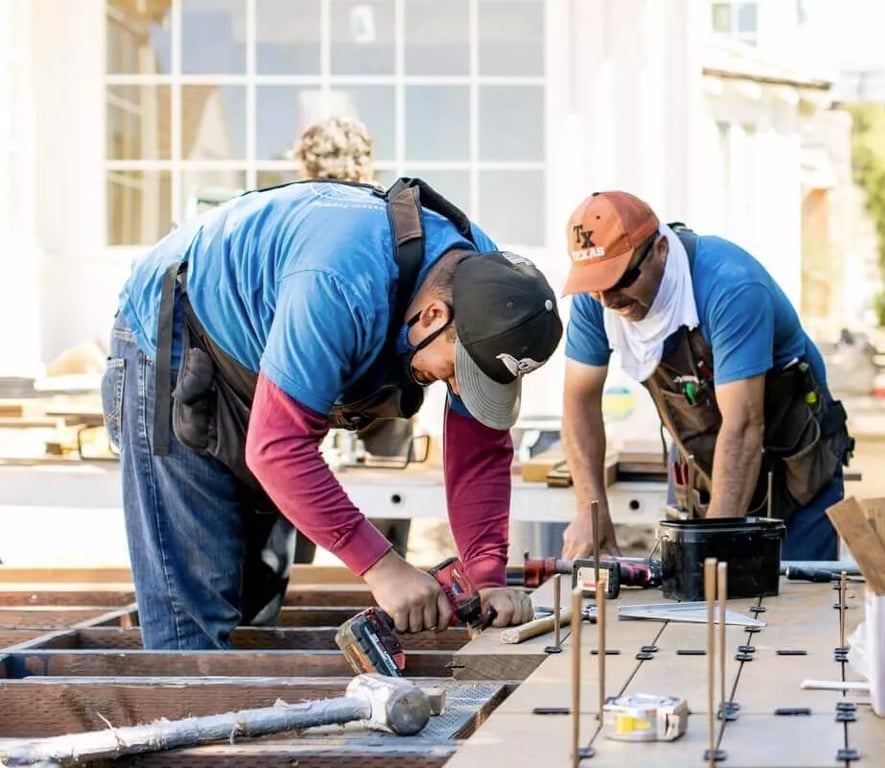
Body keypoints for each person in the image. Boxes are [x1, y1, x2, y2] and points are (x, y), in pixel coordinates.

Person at [101, 177, 562, 649]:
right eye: (458, 371)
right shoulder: (339, 284)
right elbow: (277, 448)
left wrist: (486, 573)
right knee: (195, 609)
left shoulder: (489, 290)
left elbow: (480, 450)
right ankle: (185, 710)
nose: (462, 388)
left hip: (261, 340)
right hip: (175, 331)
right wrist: (383, 567)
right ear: (433, 317)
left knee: (255, 599)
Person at [559, 191, 853, 562]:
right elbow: (579, 402)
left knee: (795, 602)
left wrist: (712, 549)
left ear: (661, 249)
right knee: (695, 607)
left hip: (795, 463)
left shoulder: (731, 286)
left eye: (622, 279)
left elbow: (744, 426)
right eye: (597, 286)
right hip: (701, 462)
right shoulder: (596, 296)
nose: (609, 300)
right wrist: (590, 509)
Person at [290, 115, 412, 564]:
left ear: (304, 167)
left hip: (310, 361)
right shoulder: (390, 213)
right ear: (366, 167)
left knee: (290, 458)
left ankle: (294, 570)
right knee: (390, 468)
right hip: (378, 370)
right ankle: (391, 569)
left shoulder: (295, 214)